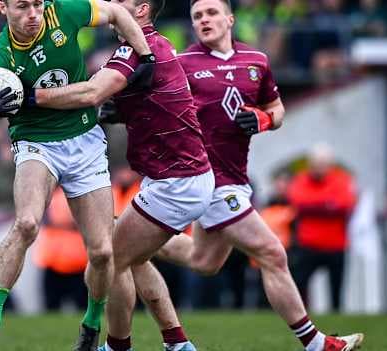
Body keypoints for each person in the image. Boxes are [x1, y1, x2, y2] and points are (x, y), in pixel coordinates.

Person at [142, 1, 363, 351]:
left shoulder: (256, 61)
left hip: (236, 176)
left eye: (212, 13)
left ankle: (133, 240)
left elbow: (276, 110)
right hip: (209, 178)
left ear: (230, 19)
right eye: (197, 16)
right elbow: (151, 102)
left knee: (205, 261)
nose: (204, 20)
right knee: (272, 252)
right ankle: (317, 344)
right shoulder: (183, 64)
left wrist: (262, 119)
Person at [0, 1, 154, 350]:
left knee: (101, 252)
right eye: (23, 6)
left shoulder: (63, 11)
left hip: (84, 139)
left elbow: (115, 12)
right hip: (37, 144)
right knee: (26, 223)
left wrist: (146, 56)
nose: (34, 13)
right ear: (3, 7)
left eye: (38, 4)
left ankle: (90, 326)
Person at [32, 1, 212, 350]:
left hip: (177, 182)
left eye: (122, 1)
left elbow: (92, 92)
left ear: (141, 9)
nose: (111, 5)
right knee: (132, 255)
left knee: (107, 262)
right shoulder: (154, 45)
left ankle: (117, 346)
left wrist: (30, 96)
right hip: (175, 179)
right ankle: (177, 343)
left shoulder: (136, 47)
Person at [287, 143, 357, 312]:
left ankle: (336, 315)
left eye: (323, 164)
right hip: (308, 244)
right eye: (316, 163)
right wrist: (327, 205)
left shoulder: (342, 179)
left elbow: (345, 204)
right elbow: (298, 203)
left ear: (330, 165)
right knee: (300, 283)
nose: (318, 168)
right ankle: (301, 317)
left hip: (336, 245)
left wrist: (316, 206)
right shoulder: (301, 179)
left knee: (336, 289)